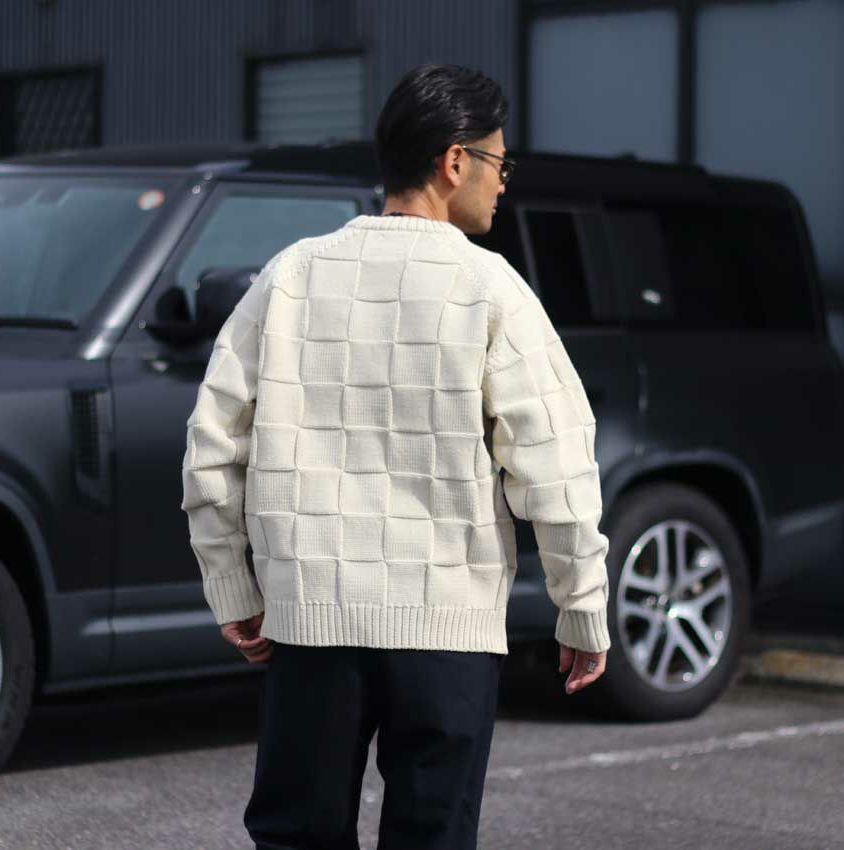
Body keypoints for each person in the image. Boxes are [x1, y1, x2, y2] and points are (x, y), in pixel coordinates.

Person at [181, 62, 611, 850]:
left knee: (297, 837)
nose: (503, 181)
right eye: (499, 161)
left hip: (311, 626)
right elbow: (556, 464)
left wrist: (231, 584)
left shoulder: (291, 275)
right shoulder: (492, 288)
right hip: (448, 633)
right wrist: (580, 604)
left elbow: (211, 447)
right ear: (455, 161)